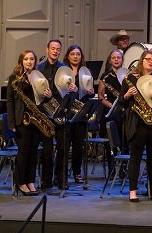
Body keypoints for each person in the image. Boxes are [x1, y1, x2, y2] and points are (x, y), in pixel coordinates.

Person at [119, 50, 152, 202]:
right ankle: (132, 191)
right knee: (135, 158)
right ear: (142, 60)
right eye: (148, 59)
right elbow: (122, 101)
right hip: (137, 122)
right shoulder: (131, 78)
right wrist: (127, 95)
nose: (151, 62)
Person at [7, 50, 41, 196]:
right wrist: (12, 123)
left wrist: (47, 94)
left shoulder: (38, 77)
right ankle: (21, 182)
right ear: (21, 61)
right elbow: (10, 102)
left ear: (35, 61)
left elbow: (41, 100)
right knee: (23, 153)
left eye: (32, 59)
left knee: (33, 153)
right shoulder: (14, 78)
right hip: (22, 120)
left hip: (35, 120)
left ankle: (30, 181)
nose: (29, 61)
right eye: (26, 59)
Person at [62, 44, 94, 184]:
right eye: (73, 54)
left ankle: (76, 172)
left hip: (81, 114)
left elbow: (89, 91)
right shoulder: (62, 71)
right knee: (64, 145)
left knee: (78, 146)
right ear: (68, 56)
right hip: (67, 112)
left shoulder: (86, 72)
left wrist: (90, 92)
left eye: (78, 54)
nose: (75, 56)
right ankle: (62, 175)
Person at [37, 39, 65, 190]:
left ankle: (60, 180)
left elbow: (66, 91)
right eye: (52, 48)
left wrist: (71, 87)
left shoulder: (63, 68)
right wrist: (43, 94)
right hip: (45, 112)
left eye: (58, 49)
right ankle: (46, 181)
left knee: (62, 148)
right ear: (47, 49)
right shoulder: (39, 68)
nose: (55, 51)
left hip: (59, 111)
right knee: (47, 150)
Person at [98, 49, 127, 176]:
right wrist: (111, 106)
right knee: (111, 143)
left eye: (119, 57)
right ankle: (111, 170)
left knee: (124, 141)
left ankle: (123, 170)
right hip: (110, 112)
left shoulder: (127, 75)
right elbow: (100, 97)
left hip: (124, 112)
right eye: (113, 57)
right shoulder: (105, 76)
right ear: (110, 60)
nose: (116, 59)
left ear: (122, 60)